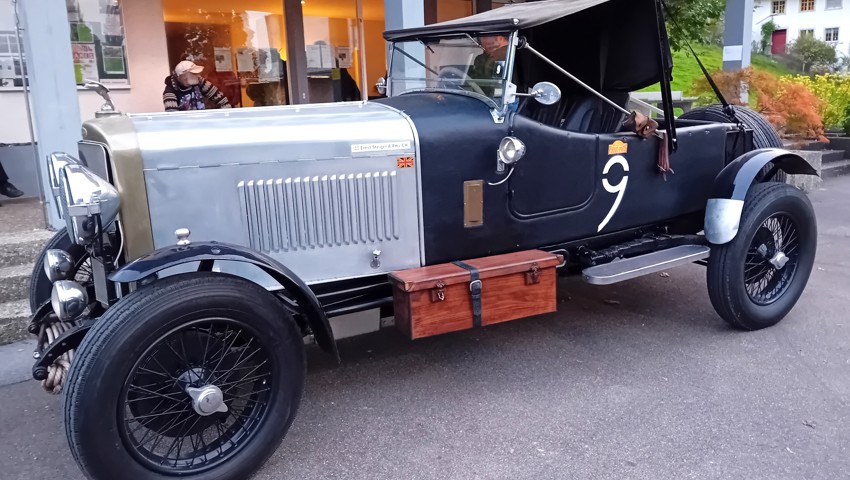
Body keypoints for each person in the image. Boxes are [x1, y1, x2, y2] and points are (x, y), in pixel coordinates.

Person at [163, 60, 232, 112]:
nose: (198, 75)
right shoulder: (170, 92)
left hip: (203, 124)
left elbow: (223, 101)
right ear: (183, 76)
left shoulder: (200, 81)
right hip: (184, 128)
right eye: (194, 73)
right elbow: (172, 118)